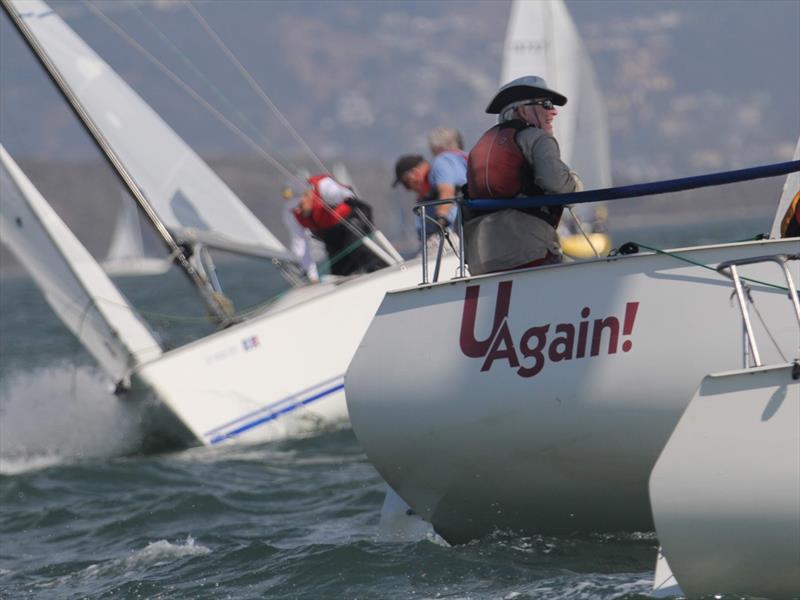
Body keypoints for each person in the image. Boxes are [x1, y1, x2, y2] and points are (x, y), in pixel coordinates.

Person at [464, 75, 582, 275]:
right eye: (545, 104)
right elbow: (556, 184)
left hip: (481, 262)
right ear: (523, 110)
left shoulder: (479, 146)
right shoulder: (538, 139)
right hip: (528, 253)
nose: (553, 111)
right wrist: (576, 184)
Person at [292, 174, 385, 277]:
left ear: (307, 195)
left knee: (354, 246)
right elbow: (300, 245)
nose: (298, 210)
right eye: (295, 207)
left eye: (300, 205)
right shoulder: (296, 215)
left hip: (353, 218)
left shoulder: (324, 187)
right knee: (338, 268)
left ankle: (381, 270)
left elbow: (346, 194)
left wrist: (341, 198)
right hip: (332, 231)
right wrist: (312, 275)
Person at [281, 178, 320, 282]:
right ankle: (310, 275)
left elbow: (286, 195)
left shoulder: (296, 181)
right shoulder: (291, 183)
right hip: (293, 213)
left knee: (303, 243)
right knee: (300, 243)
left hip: (295, 212)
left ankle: (310, 274)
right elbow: (287, 195)